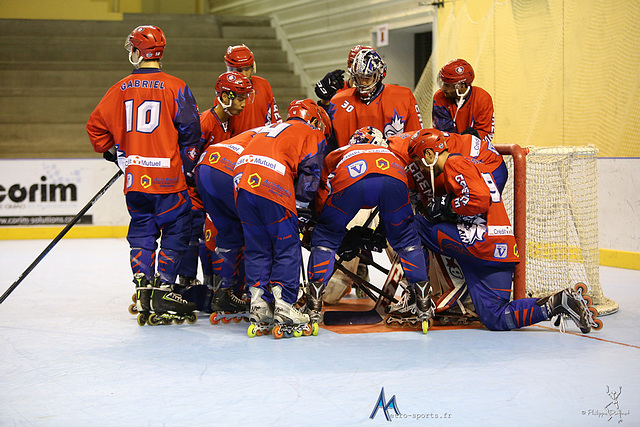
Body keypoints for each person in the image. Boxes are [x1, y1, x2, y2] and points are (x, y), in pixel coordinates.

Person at [403, 129, 597, 333]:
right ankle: (558, 303)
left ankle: (419, 293)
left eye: (417, 160)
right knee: (495, 316)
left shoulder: (455, 163)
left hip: (480, 243)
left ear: (429, 155)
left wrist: (447, 205)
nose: (418, 168)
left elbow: (478, 199)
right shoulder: (475, 164)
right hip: (500, 250)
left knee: (413, 224)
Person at [86, 25, 202, 325]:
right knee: (177, 230)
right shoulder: (177, 87)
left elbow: (95, 127)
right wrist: (187, 168)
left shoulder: (119, 88)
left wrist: (114, 154)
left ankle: (143, 284)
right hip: (169, 180)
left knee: (142, 229)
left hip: (136, 180)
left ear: (139, 51)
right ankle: (164, 285)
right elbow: (192, 133)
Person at [306, 127, 435, 332]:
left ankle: (313, 303)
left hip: (351, 178)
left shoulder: (340, 152)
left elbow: (321, 186)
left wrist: (320, 220)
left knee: (326, 237)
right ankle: (422, 300)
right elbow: (407, 187)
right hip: (393, 174)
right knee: (406, 238)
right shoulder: (393, 152)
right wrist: (386, 229)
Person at [234, 99, 330, 339]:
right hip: (272, 180)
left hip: (241, 181)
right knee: (286, 245)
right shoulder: (311, 132)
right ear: (315, 119)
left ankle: (258, 305)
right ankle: (285, 305)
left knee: (257, 246)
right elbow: (311, 172)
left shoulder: (270, 127)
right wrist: (301, 206)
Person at [176, 71, 254, 311]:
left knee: (213, 235)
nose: (243, 103)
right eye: (239, 98)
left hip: (209, 192)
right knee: (197, 235)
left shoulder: (226, 123)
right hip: (196, 192)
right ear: (226, 96)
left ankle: (213, 286)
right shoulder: (205, 123)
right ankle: (186, 284)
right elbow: (188, 160)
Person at [195, 127, 259, 322]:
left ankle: (223, 292)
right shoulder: (302, 136)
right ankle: (259, 295)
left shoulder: (269, 129)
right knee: (258, 232)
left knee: (228, 233)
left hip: (206, 162)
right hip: (231, 166)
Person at [432, 58, 495, 144]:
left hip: (475, 150)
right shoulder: (440, 97)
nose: (443, 88)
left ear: (461, 86)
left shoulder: (482, 98)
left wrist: (474, 137)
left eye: (447, 85)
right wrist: (463, 139)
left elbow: (485, 133)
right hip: (449, 150)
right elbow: (443, 132)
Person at [223, 44, 282, 136]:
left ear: (253, 67)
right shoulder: (225, 92)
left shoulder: (264, 84)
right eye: (238, 70)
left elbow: (274, 118)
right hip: (237, 146)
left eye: (246, 69)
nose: (243, 74)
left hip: (262, 143)